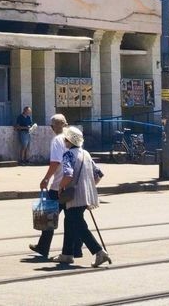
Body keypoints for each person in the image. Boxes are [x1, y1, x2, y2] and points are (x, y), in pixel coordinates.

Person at [52, 126, 110, 267]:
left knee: (78, 225)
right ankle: (67, 254)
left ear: (69, 141)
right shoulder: (86, 154)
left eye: (66, 139)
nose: (64, 141)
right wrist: (87, 187)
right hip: (86, 195)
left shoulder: (68, 155)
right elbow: (99, 174)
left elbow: (68, 175)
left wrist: (60, 187)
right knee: (70, 222)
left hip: (73, 197)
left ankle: (99, 252)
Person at [29, 114, 82, 260]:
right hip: (72, 185)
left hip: (58, 186)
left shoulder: (57, 140)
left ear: (52, 127)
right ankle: (76, 249)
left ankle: (43, 247)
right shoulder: (73, 139)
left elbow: (55, 162)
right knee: (73, 219)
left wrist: (46, 178)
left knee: (49, 216)